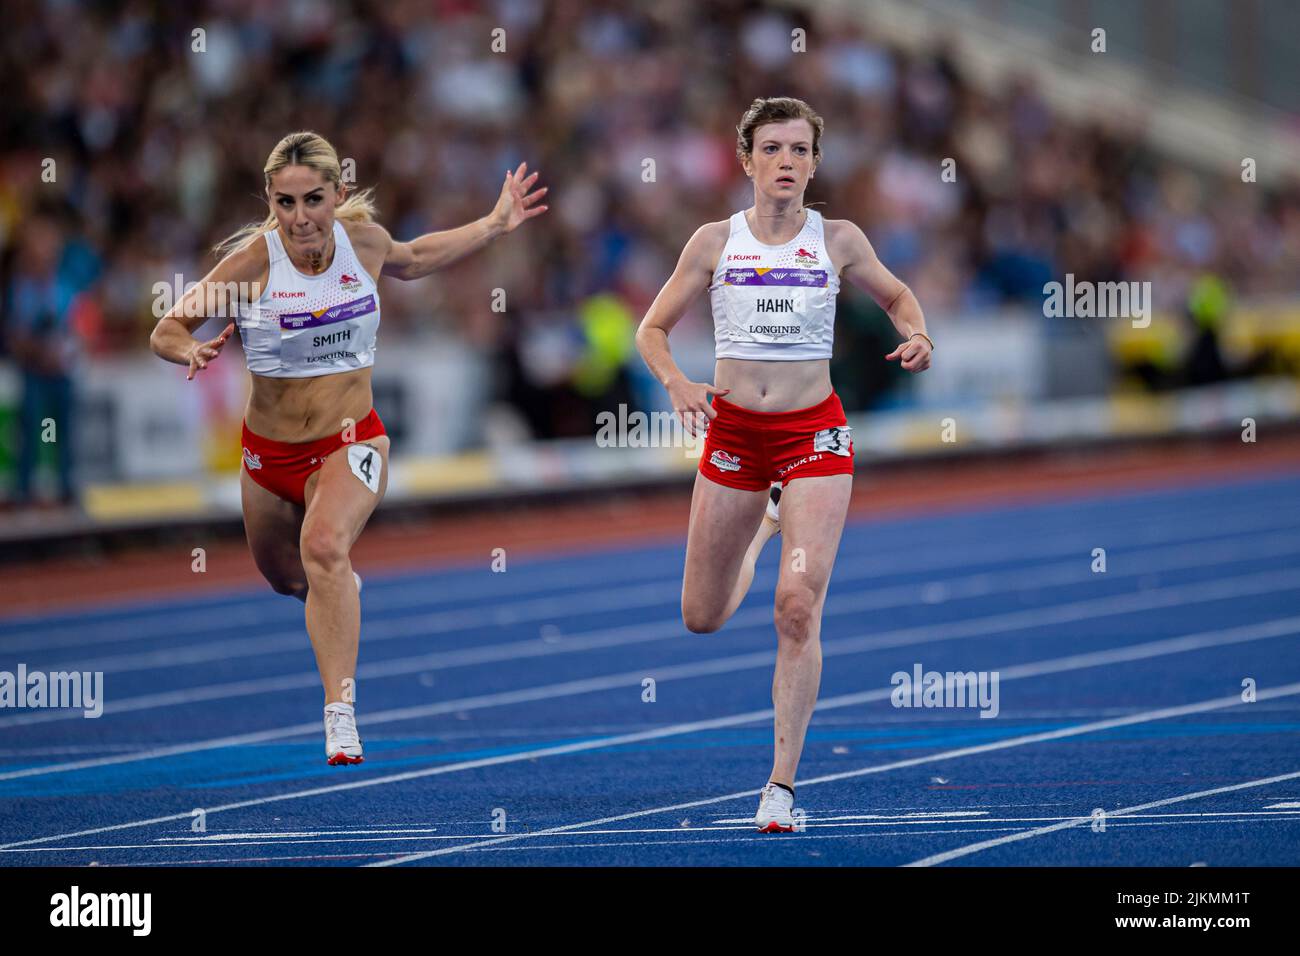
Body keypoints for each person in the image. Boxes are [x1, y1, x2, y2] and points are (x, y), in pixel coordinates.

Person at [150, 131, 547, 764]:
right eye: (285, 203)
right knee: (287, 577)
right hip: (269, 457)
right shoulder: (253, 265)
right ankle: (337, 593)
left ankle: (340, 712)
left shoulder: (361, 245)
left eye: (313, 199)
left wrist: (495, 225)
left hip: (352, 441)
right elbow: (167, 326)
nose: (301, 217)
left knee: (323, 546)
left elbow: (415, 256)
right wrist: (189, 350)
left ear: (337, 193)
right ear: (270, 202)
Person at [635, 98, 932, 832]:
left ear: (814, 164)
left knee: (797, 609)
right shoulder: (714, 242)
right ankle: (768, 523)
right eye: (773, 149)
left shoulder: (838, 239)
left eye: (800, 150)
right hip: (735, 434)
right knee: (701, 617)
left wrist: (918, 332)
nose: (787, 163)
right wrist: (676, 383)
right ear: (747, 160)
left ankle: (781, 787)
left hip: (815, 437)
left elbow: (896, 295)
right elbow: (651, 328)